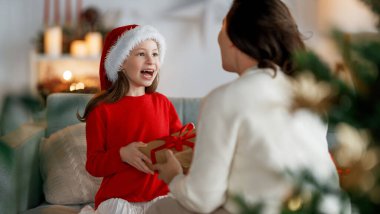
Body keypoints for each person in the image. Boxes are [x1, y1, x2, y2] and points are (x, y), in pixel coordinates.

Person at [147, 0, 348, 214]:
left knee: (161, 207)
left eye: (222, 27)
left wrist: (173, 177)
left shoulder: (224, 99)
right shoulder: (309, 94)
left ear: (236, 38)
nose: (219, 38)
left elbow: (202, 199)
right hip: (330, 209)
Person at [78, 24, 182, 214]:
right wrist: (122, 155)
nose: (151, 61)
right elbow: (93, 164)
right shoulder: (101, 110)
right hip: (119, 201)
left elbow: (179, 146)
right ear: (121, 63)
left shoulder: (163, 103)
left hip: (161, 197)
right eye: (141, 54)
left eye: (155, 54)